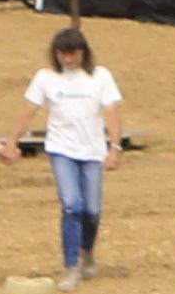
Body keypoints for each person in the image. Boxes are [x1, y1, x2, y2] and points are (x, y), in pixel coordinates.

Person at [22, 23, 123, 277]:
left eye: (73, 53)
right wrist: (12, 140)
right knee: (71, 205)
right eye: (63, 53)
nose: (68, 59)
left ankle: (86, 249)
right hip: (61, 148)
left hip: (92, 150)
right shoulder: (45, 77)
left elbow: (111, 112)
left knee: (92, 210)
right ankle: (71, 265)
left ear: (83, 52)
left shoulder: (100, 76)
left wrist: (115, 147)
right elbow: (29, 108)